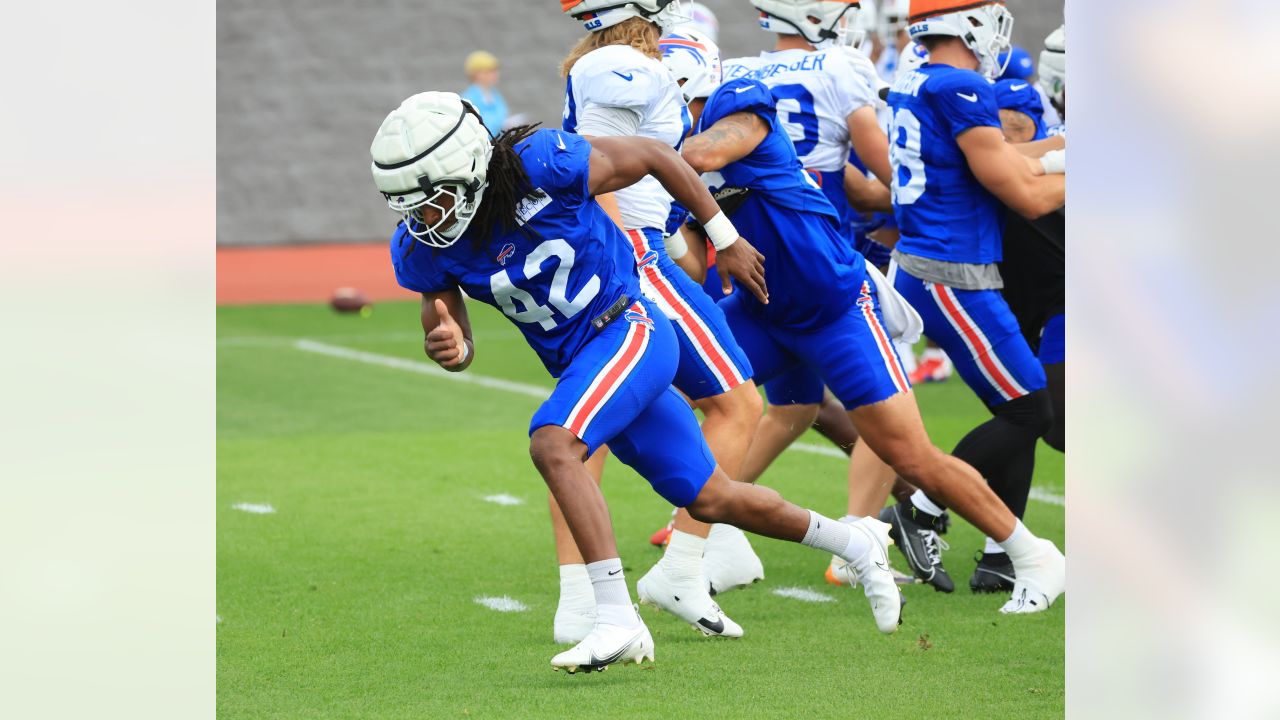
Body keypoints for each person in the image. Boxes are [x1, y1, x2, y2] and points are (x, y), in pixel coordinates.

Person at [369, 90, 903, 672]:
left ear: (469, 170)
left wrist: (723, 237)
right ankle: (858, 543)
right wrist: (452, 346)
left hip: (629, 328)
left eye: (432, 201)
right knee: (712, 497)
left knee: (553, 442)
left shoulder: (541, 163)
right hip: (584, 359)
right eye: (409, 207)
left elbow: (654, 156)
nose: (421, 219)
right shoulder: (424, 244)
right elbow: (447, 322)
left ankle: (616, 619)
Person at [665, 31, 1065, 616]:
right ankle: (709, 544)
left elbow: (698, 159)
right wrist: (670, 229)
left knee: (912, 457)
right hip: (764, 308)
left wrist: (637, 156)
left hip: (836, 310)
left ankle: (1032, 554)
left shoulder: (737, 105)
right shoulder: (669, 145)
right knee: (668, 386)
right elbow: (696, 257)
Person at [555, 0, 768, 644]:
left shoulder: (605, 62)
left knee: (583, 426)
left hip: (629, 249)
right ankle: (680, 566)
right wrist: (648, 255)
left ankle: (581, 598)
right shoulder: (623, 64)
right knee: (738, 404)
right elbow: (600, 171)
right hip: (628, 253)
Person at [880, 0, 1067, 594]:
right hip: (955, 272)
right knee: (1029, 410)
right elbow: (1027, 196)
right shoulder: (962, 85)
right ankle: (918, 510)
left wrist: (1065, 151)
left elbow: (1001, 160)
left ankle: (992, 555)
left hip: (927, 262)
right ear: (969, 23)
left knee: (1017, 407)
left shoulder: (917, 78)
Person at [459, 51, 508, 137]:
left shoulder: (495, 94)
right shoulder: (467, 99)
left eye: (495, 70)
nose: (494, 74)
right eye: (488, 71)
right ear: (476, 73)